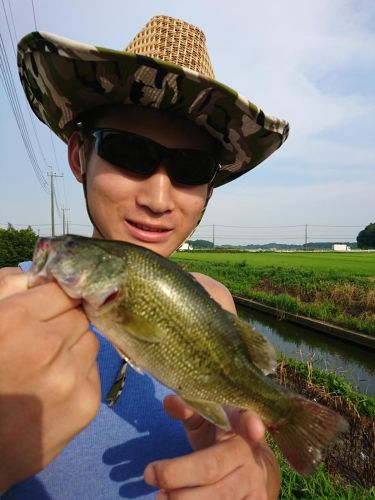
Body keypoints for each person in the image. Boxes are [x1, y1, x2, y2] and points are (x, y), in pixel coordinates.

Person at [0, 15, 289, 499]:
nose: (158, 197)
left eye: (191, 168)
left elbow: (254, 453)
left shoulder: (215, 301)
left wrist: (259, 478)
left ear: (208, 193)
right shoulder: (4, 307)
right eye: (129, 151)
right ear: (78, 157)